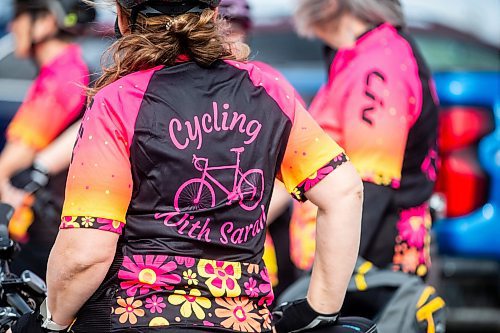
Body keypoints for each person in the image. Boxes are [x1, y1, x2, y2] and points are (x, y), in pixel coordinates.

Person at [10, 0, 363, 332]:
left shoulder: (119, 101)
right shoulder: (267, 89)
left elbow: (86, 252)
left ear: (122, 18)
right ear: (213, 15)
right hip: (242, 318)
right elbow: (345, 190)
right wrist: (320, 309)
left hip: (134, 315)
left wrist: (50, 321)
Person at [292, 0, 439, 278]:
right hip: (350, 254)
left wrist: (326, 283)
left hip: (370, 262)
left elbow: (370, 186)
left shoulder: (378, 63)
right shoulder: (361, 54)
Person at [0, 0, 95, 278]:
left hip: (41, 229)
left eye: (19, 16)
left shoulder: (63, 75)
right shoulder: (69, 69)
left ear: (46, 22)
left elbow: (18, 153)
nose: (12, 25)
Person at [219, 0, 301, 297]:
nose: (230, 36)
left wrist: (241, 222)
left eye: (237, 28)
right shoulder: (184, 80)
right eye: (223, 27)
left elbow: (297, 171)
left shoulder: (268, 83)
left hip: (254, 245)